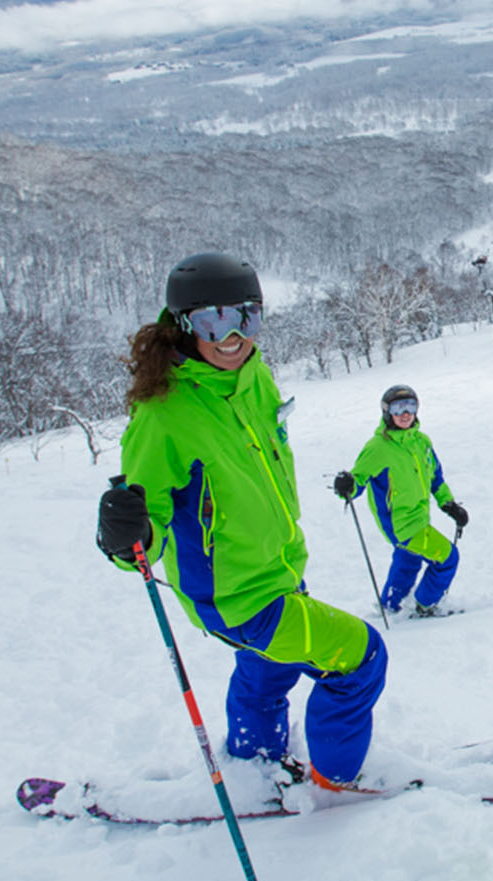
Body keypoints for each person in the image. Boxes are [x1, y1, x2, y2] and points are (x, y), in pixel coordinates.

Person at [94, 251, 387, 793]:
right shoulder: (162, 416)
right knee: (361, 658)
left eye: (245, 317)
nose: (231, 335)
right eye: (211, 319)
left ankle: (255, 761)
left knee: (269, 671)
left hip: (277, 568)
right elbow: (146, 525)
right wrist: (124, 534)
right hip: (236, 596)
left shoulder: (255, 378)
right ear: (181, 325)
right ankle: (334, 778)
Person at [333, 385, 469, 618]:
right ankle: (425, 604)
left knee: (408, 561)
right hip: (400, 523)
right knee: (447, 558)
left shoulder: (422, 442)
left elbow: (435, 477)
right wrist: (347, 485)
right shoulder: (378, 448)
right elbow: (358, 480)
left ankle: (391, 605)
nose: (405, 413)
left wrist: (448, 504)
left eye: (411, 406)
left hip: (419, 517)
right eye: (398, 408)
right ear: (387, 412)